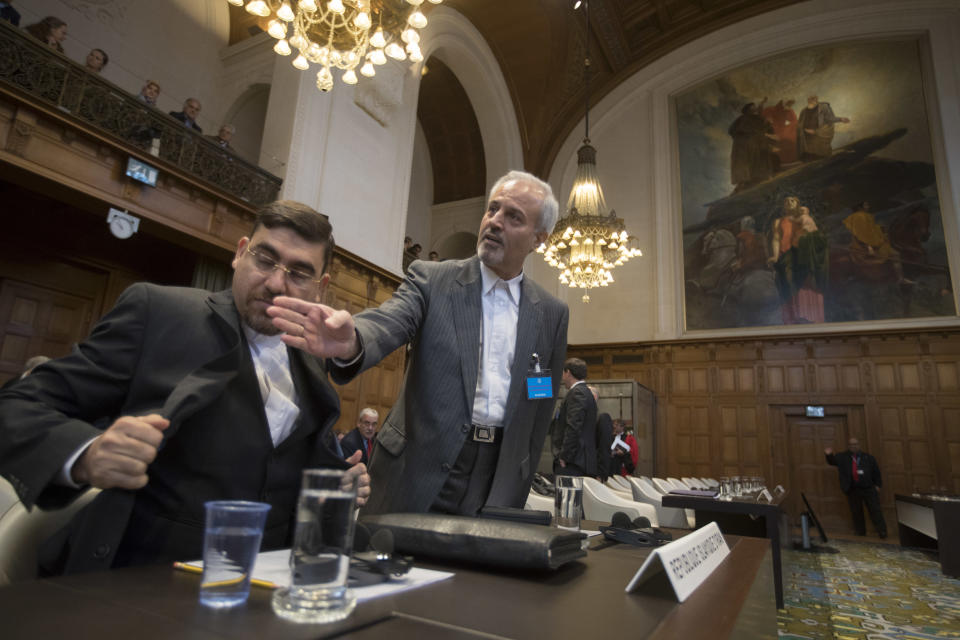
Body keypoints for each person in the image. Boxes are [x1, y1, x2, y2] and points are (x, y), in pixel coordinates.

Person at [0, 201, 370, 575]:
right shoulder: (158, 312)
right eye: (264, 259)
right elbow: (17, 405)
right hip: (137, 582)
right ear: (240, 253)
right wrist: (86, 453)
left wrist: (339, 484)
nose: (276, 283)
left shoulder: (310, 358)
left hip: (269, 589)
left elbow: (289, 472)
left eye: (299, 273)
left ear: (319, 289)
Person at [268, 170, 569, 516]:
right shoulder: (432, 279)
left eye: (513, 217)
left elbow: (540, 400)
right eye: (493, 209)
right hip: (417, 467)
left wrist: (521, 472)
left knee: (481, 572)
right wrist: (353, 338)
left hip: (497, 479)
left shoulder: (551, 312)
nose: (495, 222)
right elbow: (388, 321)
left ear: (539, 239)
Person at [769, 196, 828, 324]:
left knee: (807, 282)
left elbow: (814, 234)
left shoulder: (804, 218)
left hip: (803, 254)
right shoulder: (778, 221)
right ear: (783, 206)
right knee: (788, 281)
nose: (789, 203)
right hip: (787, 254)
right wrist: (775, 255)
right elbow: (776, 239)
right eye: (786, 201)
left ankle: (811, 315)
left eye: (792, 200)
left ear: (798, 204)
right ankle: (793, 316)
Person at [825, 438, 887, 538]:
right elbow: (832, 461)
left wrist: (878, 485)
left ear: (859, 445)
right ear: (848, 446)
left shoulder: (868, 457)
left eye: (855, 444)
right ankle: (860, 532)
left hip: (869, 488)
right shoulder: (843, 457)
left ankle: (882, 531)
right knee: (856, 512)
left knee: (875, 510)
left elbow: (876, 472)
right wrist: (828, 455)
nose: (853, 446)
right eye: (851, 444)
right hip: (853, 489)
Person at [842, 201, 910, 284]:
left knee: (893, 251)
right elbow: (860, 234)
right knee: (894, 254)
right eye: (866, 205)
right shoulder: (859, 217)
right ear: (860, 207)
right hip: (864, 246)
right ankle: (900, 279)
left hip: (872, 242)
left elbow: (870, 229)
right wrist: (869, 246)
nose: (868, 206)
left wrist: (879, 228)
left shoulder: (864, 215)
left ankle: (900, 278)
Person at [553, 358, 598, 477]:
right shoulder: (585, 392)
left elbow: (573, 427)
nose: (562, 378)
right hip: (577, 460)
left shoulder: (577, 393)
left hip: (573, 462)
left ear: (568, 372)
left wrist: (564, 456)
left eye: (563, 373)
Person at [728, 101, 779, 192]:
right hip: (745, 146)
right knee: (748, 163)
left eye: (755, 108)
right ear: (748, 110)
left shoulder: (757, 118)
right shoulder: (743, 119)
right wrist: (764, 135)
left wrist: (767, 127)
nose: (754, 109)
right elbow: (734, 131)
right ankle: (747, 181)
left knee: (759, 159)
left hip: (756, 144)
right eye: (752, 108)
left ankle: (759, 177)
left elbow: (765, 127)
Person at [797, 95, 850, 161]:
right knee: (810, 153)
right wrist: (803, 129)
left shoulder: (823, 107)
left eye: (813, 99)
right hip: (807, 134)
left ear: (816, 99)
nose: (811, 100)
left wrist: (840, 119)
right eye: (809, 99)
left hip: (818, 132)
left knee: (821, 153)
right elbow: (800, 122)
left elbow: (829, 118)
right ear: (808, 100)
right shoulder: (804, 110)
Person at [762, 99, 798, 164]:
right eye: (788, 103)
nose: (790, 105)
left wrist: (788, 126)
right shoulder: (770, 109)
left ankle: (789, 160)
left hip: (781, 130)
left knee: (790, 137)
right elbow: (766, 119)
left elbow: (794, 121)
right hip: (771, 129)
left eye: (791, 104)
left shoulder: (790, 111)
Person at [590, 386, 614, 482]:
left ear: (594, 397)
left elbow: (604, 448)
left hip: (595, 473)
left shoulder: (602, 418)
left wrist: (600, 474)